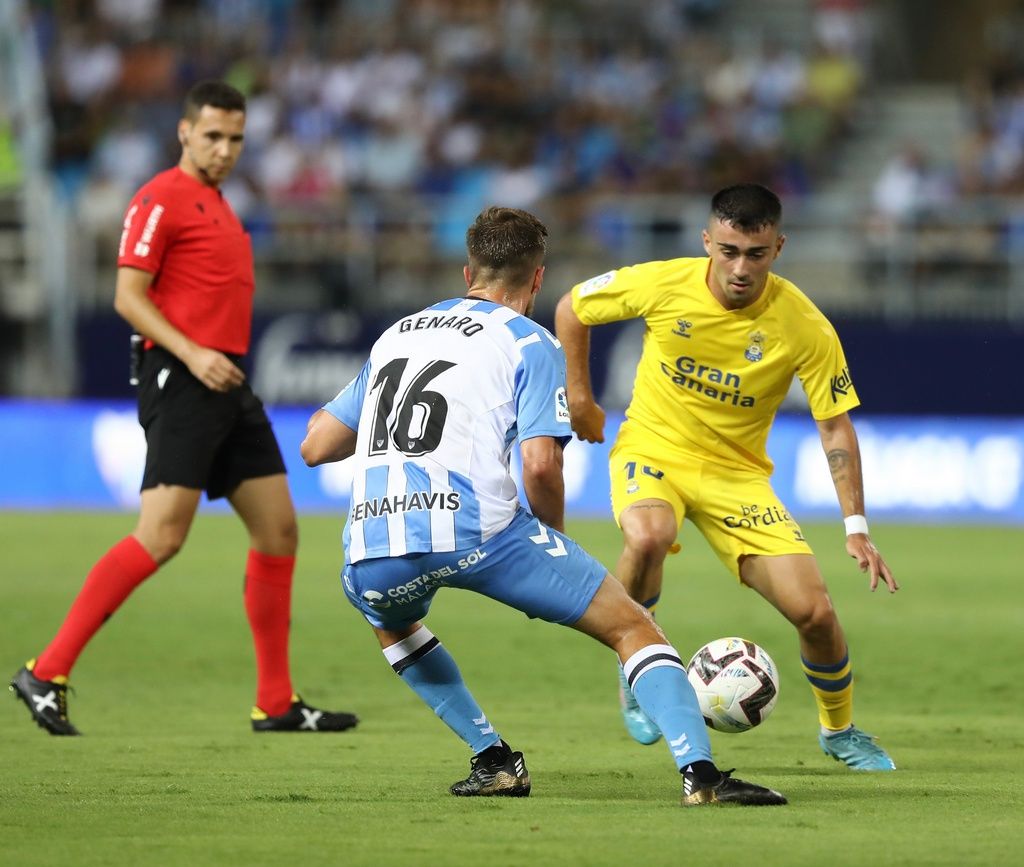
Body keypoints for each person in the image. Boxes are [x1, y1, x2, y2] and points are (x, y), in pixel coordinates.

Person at [300, 206, 784, 805]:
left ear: (466, 272)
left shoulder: (397, 334)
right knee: (634, 625)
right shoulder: (529, 340)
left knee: (393, 625)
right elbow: (539, 463)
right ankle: (702, 779)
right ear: (536, 280)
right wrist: (553, 540)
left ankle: (495, 761)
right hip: (479, 533)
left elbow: (316, 444)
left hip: (372, 546)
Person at [10, 81, 357, 736]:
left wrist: (211, 359)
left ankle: (276, 702)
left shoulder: (220, 207)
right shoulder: (158, 198)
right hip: (184, 375)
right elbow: (127, 297)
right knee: (163, 534)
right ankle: (45, 670)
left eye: (235, 139)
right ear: (183, 132)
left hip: (226, 379)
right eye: (212, 137)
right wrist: (193, 354)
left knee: (279, 529)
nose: (224, 150)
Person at [554, 183, 900, 771]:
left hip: (737, 477)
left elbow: (835, 429)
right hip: (655, 448)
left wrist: (856, 526)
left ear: (779, 248)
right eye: (730, 251)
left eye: (757, 254)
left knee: (815, 614)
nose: (741, 268)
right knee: (647, 535)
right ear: (707, 242)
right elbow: (571, 308)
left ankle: (838, 731)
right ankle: (635, 660)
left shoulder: (804, 325)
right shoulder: (663, 283)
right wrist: (581, 398)